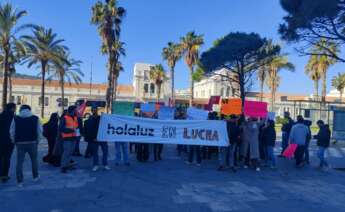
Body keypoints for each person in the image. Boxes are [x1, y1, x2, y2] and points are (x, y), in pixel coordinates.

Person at [10, 105, 42, 187]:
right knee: (34, 160)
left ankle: (20, 181)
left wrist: (14, 140)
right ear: (29, 109)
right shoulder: (35, 118)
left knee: (19, 162)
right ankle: (35, 177)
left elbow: (12, 131)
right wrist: (38, 140)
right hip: (32, 142)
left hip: (20, 143)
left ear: (21, 110)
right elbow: (39, 130)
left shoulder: (16, 118)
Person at [85, 107, 110, 171]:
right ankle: (96, 165)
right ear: (92, 111)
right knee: (95, 153)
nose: (94, 111)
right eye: (93, 110)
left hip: (102, 138)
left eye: (95, 110)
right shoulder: (89, 119)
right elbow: (89, 130)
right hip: (94, 139)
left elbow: (106, 126)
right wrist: (92, 138)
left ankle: (105, 164)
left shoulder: (101, 118)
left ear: (97, 111)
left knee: (105, 152)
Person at [0, 103, 16, 183]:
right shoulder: (14, 117)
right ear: (12, 108)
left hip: (0, 140)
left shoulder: (1, 116)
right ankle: (4, 175)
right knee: (7, 158)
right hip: (10, 141)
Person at [60, 106, 79, 173]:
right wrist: (71, 130)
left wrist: (78, 132)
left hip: (74, 138)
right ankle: (63, 166)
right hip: (67, 138)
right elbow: (61, 128)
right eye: (75, 110)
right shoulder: (65, 118)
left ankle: (67, 165)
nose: (76, 111)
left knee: (70, 153)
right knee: (66, 153)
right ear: (72, 110)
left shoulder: (75, 118)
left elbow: (76, 127)